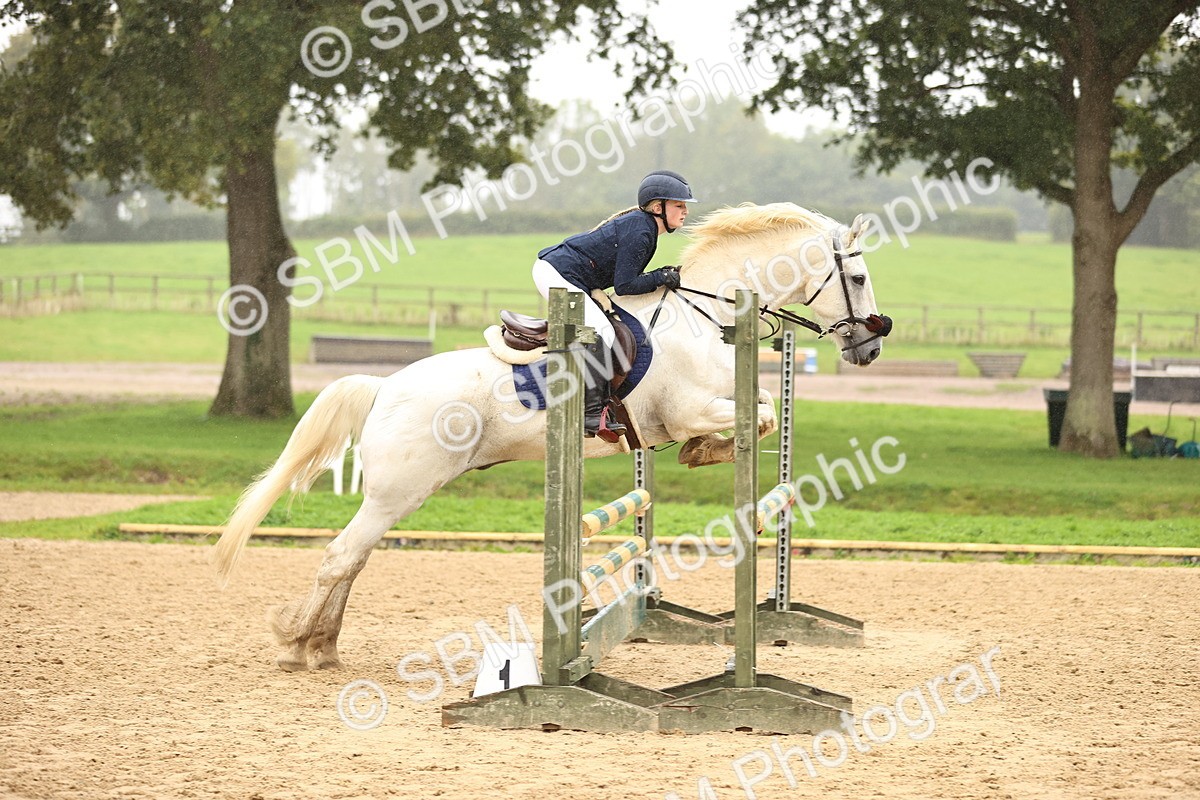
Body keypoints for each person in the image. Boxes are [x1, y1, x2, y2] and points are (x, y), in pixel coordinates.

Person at [531, 170, 699, 438]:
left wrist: (660, 275)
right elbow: (625, 286)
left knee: (601, 330)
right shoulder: (641, 231)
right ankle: (591, 413)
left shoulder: (644, 228)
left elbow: (626, 281)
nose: (685, 211)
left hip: (566, 274)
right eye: (679, 205)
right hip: (557, 273)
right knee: (601, 333)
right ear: (658, 207)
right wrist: (661, 276)